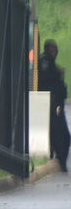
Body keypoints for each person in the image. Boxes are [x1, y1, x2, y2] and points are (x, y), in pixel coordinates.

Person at [38, 39, 70, 172]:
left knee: (61, 134)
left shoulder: (50, 63)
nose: (54, 52)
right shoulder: (45, 63)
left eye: (55, 49)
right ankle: (60, 160)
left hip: (56, 103)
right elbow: (47, 81)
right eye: (52, 49)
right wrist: (58, 73)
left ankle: (60, 159)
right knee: (60, 134)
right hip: (52, 104)